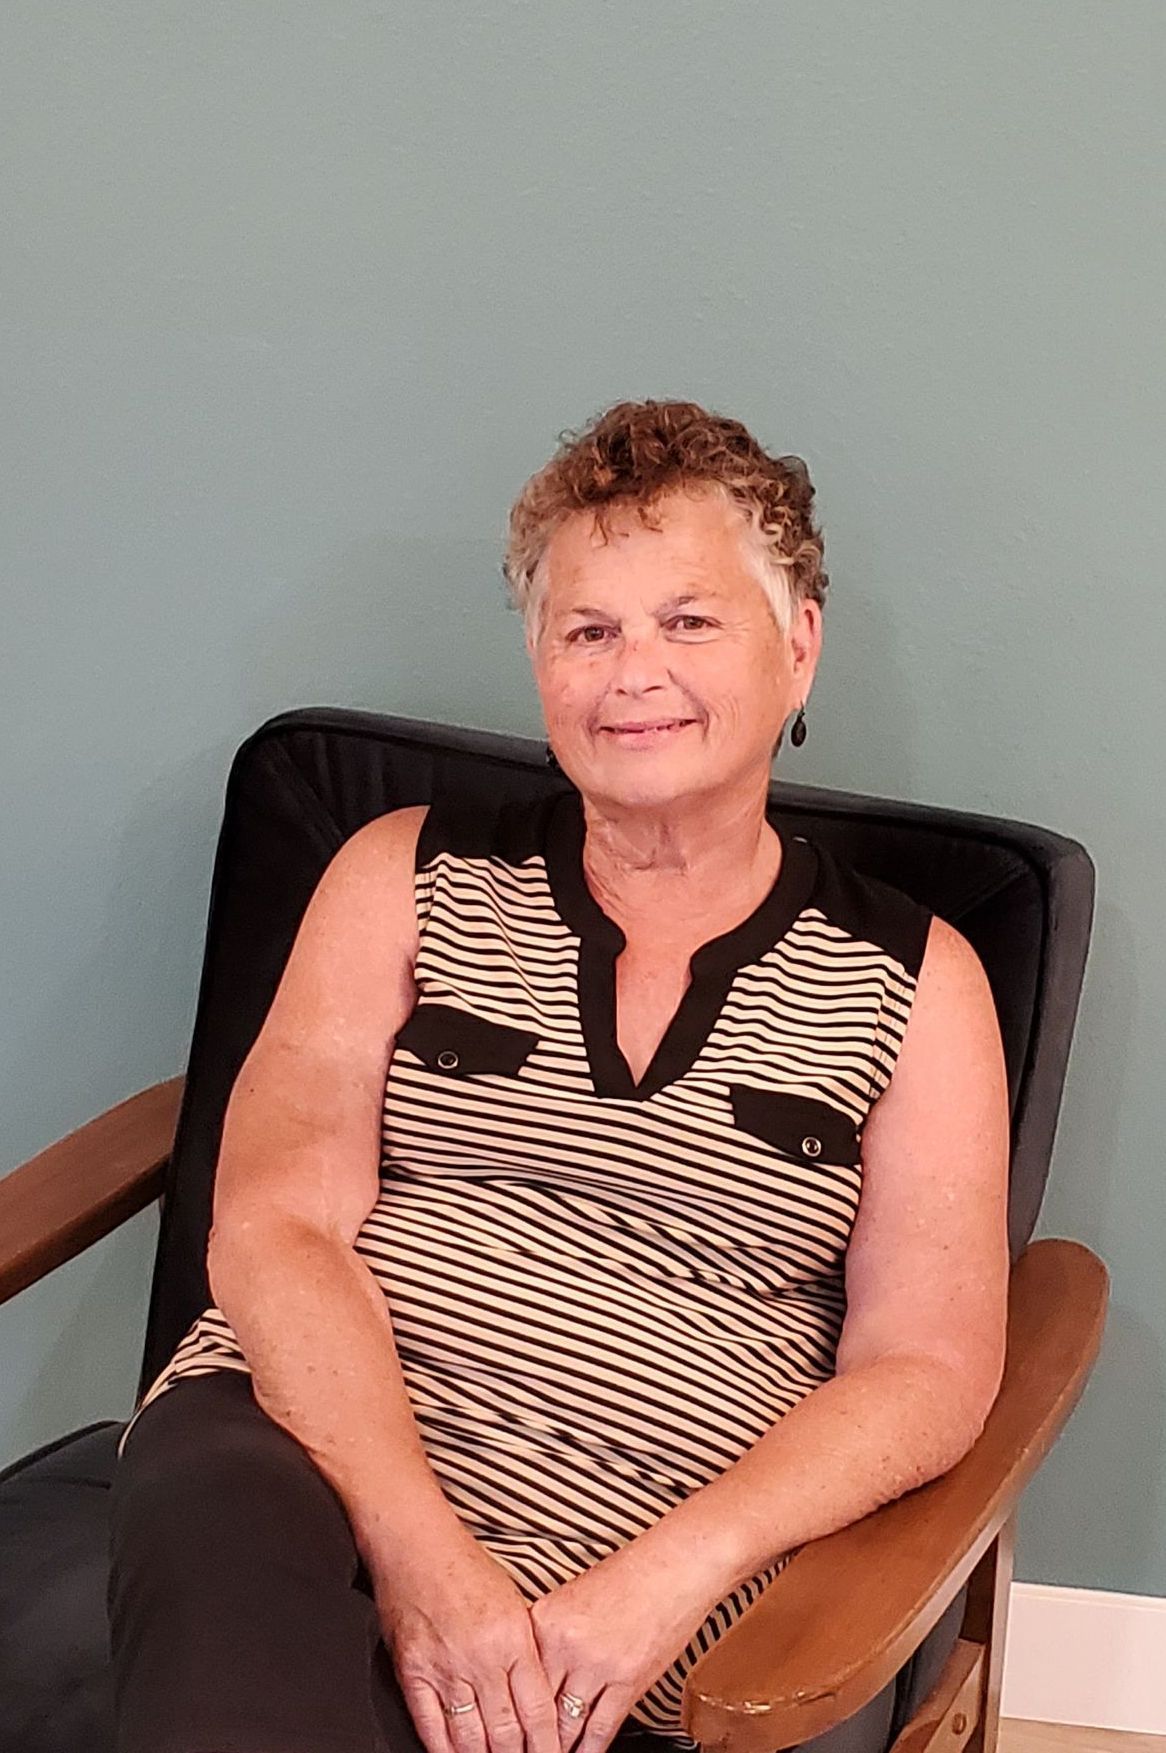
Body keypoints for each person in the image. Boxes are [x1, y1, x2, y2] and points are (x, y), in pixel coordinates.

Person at [107, 399, 1011, 1753]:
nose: (631, 671)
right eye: (586, 629)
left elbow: (924, 1363)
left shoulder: (916, 981)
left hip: (649, 1549)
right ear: (540, 661)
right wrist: (421, 1552)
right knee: (224, 1564)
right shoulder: (398, 878)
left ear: (799, 646)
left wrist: (666, 1578)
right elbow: (278, 1221)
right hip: (298, 1459)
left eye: (688, 621)